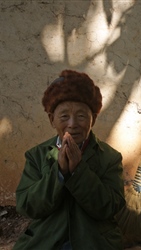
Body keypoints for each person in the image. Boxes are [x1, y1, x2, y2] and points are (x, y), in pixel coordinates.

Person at [13, 70, 126, 250]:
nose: (73, 124)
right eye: (64, 116)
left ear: (93, 120)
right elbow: (27, 206)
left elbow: (110, 207)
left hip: (95, 242)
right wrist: (59, 172)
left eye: (81, 116)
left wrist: (79, 171)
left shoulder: (109, 157)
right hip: (45, 242)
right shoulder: (36, 155)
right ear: (52, 120)